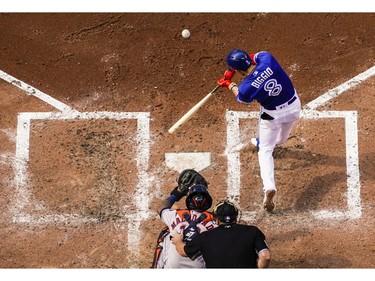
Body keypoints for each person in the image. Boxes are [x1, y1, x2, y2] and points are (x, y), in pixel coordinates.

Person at [217, 49, 302, 212]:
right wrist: (233, 69)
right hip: (293, 109)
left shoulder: (246, 87)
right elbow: (250, 58)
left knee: (265, 151)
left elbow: (240, 97)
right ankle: (262, 141)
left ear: (239, 70)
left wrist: (229, 83)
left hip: (272, 116)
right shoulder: (267, 58)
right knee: (282, 139)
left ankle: (269, 187)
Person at [172, 200, 271, 268]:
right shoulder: (252, 231)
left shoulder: (205, 237)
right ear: (236, 217)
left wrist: (177, 241)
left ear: (217, 219)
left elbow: (183, 251)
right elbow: (265, 256)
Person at [151, 169, 217, 268]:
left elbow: (162, 208)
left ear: (188, 200)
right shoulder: (215, 222)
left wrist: (178, 193)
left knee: (166, 233)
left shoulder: (176, 215)